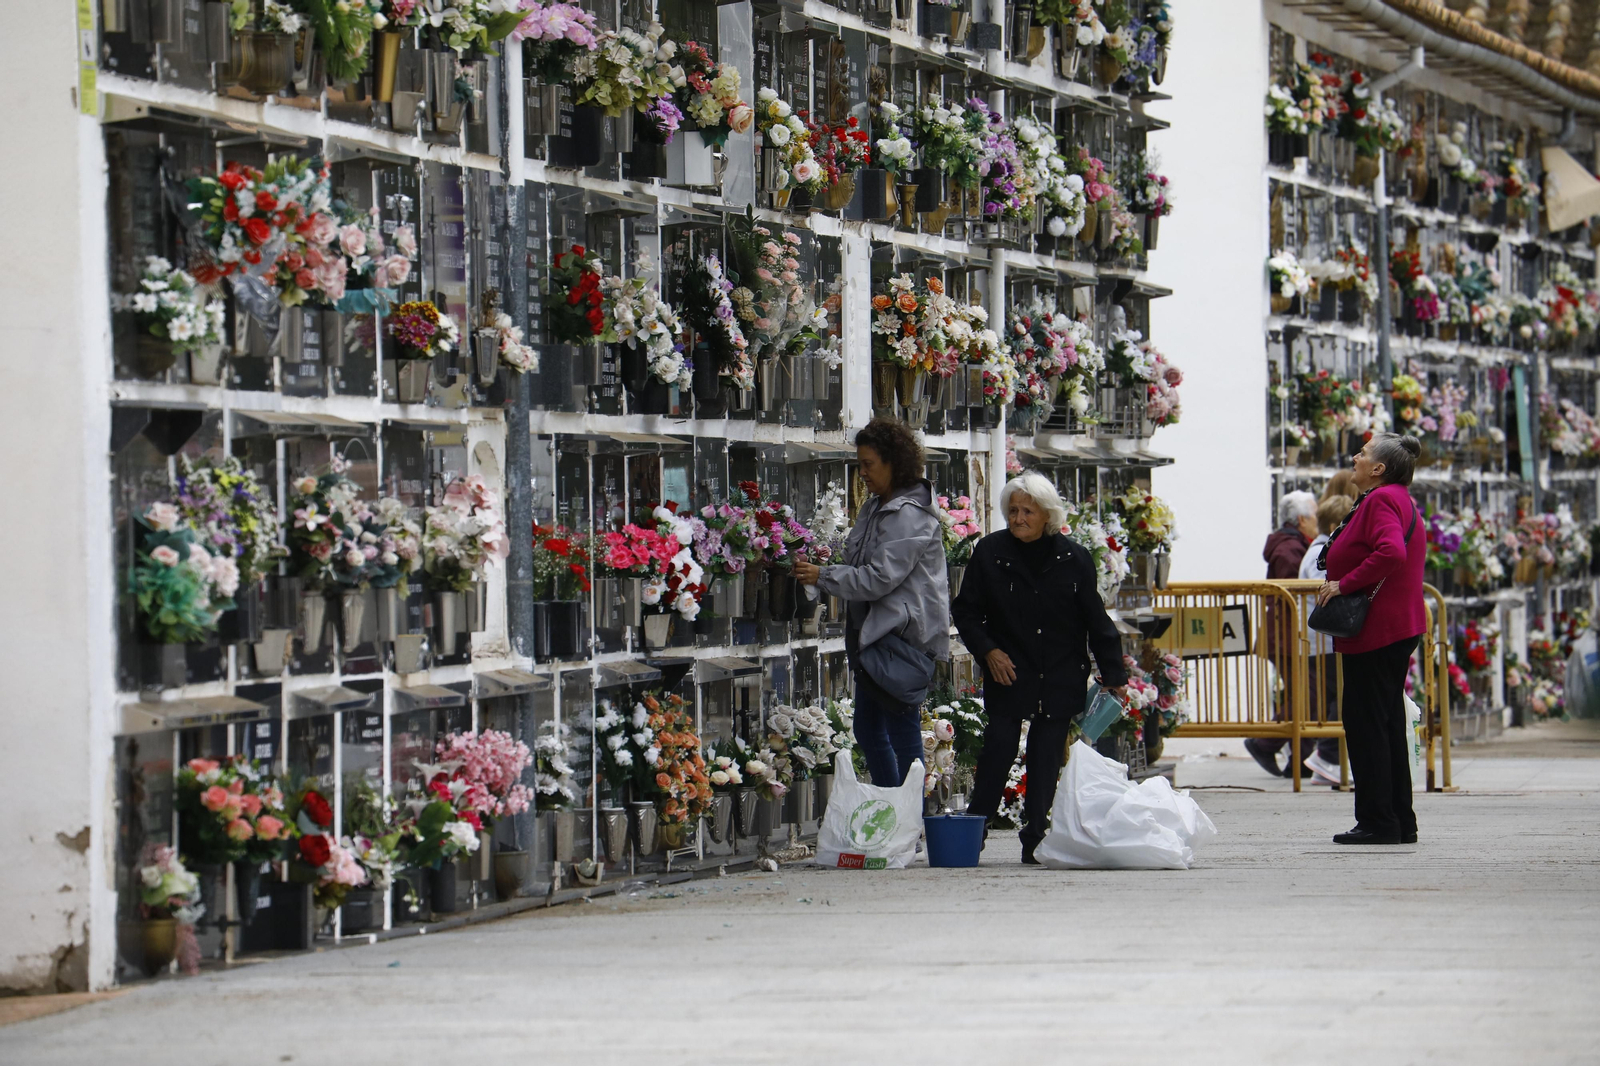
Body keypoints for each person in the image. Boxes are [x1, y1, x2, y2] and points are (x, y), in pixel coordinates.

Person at [951, 473, 1128, 865]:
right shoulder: (990, 551)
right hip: (1009, 669)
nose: (1017, 518)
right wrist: (988, 652)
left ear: (1046, 515)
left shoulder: (1074, 557)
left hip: (1060, 671)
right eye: (1012, 510)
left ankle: (1035, 839)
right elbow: (966, 610)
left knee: (1046, 758)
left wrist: (1113, 675)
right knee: (998, 748)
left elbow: (1094, 618)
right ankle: (973, 832)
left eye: (1027, 511)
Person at [793, 419, 948, 788]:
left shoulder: (908, 514)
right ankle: (891, 807)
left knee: (902, 733)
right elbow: (857, 559)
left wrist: (823, 575)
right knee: (869, 729)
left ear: (894, 462)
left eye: (868, 464)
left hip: (899, 639)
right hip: (874, 635)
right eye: (859, 464)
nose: (861, 473)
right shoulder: (878, 505)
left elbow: (879, 578)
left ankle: (908, 818)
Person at [1316, 433, 1427, 845]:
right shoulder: (1396, 497)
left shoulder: (1382, 500)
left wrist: (1344, 584)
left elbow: (1390, 552)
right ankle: (1398, 819)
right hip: (1393, 627)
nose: (1355, 458)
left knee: (1366, 725)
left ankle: (1379, 820)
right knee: (1386, 721)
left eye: (1362, 454)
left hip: (1379, 630)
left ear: (1379, 468)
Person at [1245, 490, 1319, 778]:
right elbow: (1293, 594)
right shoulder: (1290, 549)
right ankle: (1265, 742)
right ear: (1301, 519)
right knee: (1307, 697)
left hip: (1287, 635)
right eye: (1313, 516)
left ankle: (1299, 761)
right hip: (1287, 636)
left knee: (1305, 695)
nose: (1317, 522)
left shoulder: (1292, 544)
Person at [1299, 494, 1354, 785]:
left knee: (1339, 698)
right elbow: (1323, 579)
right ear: (1336, 525)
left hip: (1325, 643)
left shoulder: (1320, 548)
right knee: (1342, 698)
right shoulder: (1320, 551)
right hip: (1324, 643)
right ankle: (1327, 756)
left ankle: (1332, 759)